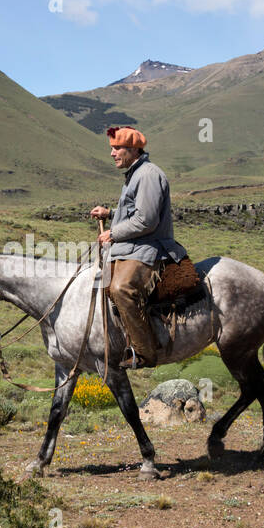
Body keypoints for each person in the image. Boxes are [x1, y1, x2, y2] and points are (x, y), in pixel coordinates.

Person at [89, 126, 187, 369]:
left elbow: (146, 220)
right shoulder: (135, 174)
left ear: (133, 149)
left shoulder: (148, 175)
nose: (112, 154)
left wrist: (114, 233)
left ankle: (146, 353)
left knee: (122, 288)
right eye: (112, 148)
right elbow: (134, 212)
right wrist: (110, 213)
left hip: (151, 248)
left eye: (117, 148)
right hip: (135, 245)